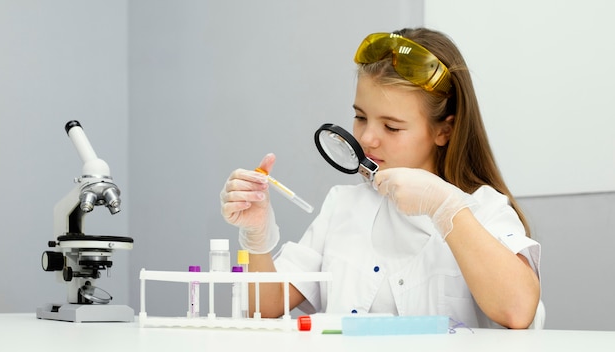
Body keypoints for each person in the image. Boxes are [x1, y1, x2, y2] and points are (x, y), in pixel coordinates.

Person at [220, 27, 541, 329]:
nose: (368, 138)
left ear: (444, 129)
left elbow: (518, 310)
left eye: (391, 127)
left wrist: (445, 207)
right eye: (360, 117)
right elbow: (264, 307)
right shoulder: (342, 207)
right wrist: (257, 236)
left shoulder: (484, 209)